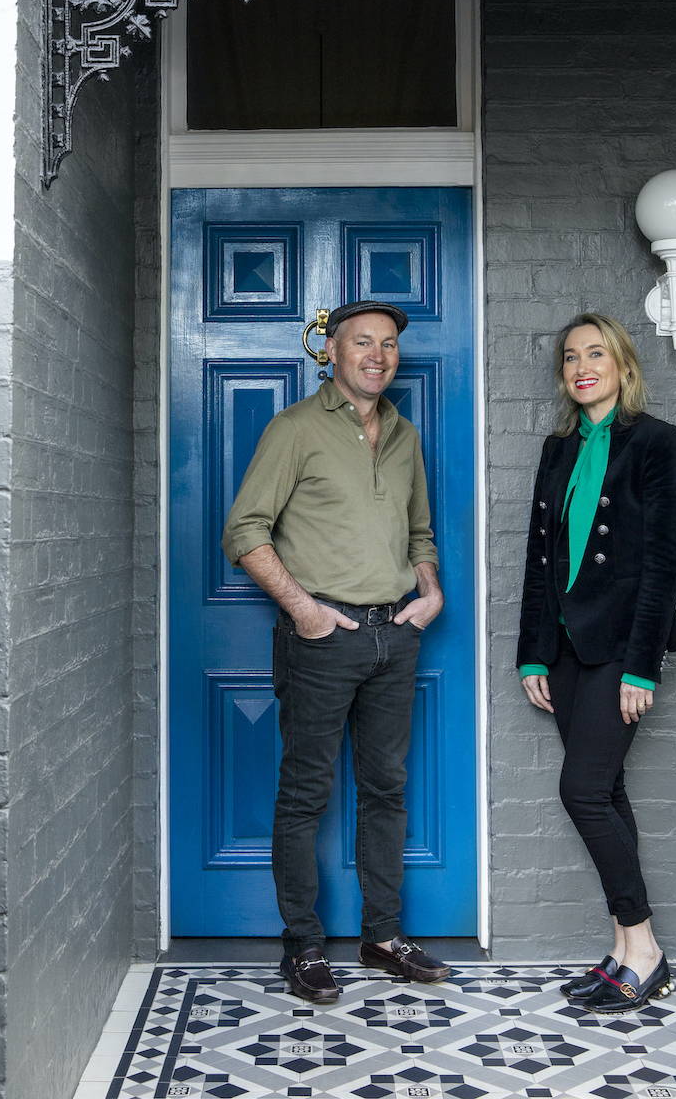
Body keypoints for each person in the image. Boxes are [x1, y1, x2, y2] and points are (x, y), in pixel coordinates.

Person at [222, 300, 449, 1004]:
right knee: (305, 795)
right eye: (361, 342)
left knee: (387, 789)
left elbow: (419, 532)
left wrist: (430, 593)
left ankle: (382, 935)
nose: (377, 355)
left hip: (394, 637)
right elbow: (243, 531)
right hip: (323, 641)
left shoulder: (405, 436)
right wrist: (304, 611)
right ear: (333, 352)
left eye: (387, 344)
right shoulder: (295, 429)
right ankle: (304, 948)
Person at [517, 313, 676, 1013]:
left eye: (596, 353)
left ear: (621, 363)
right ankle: (624, 950)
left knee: (583, 793)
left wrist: (642, 667)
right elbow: (539, 560)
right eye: (570, 357)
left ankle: (644, 948)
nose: (582, 365)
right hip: (563, 650)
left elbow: (663, 564)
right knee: (607, 791)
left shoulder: (656, 442)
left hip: (621, 650)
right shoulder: (558, 449)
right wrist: (532, 650)